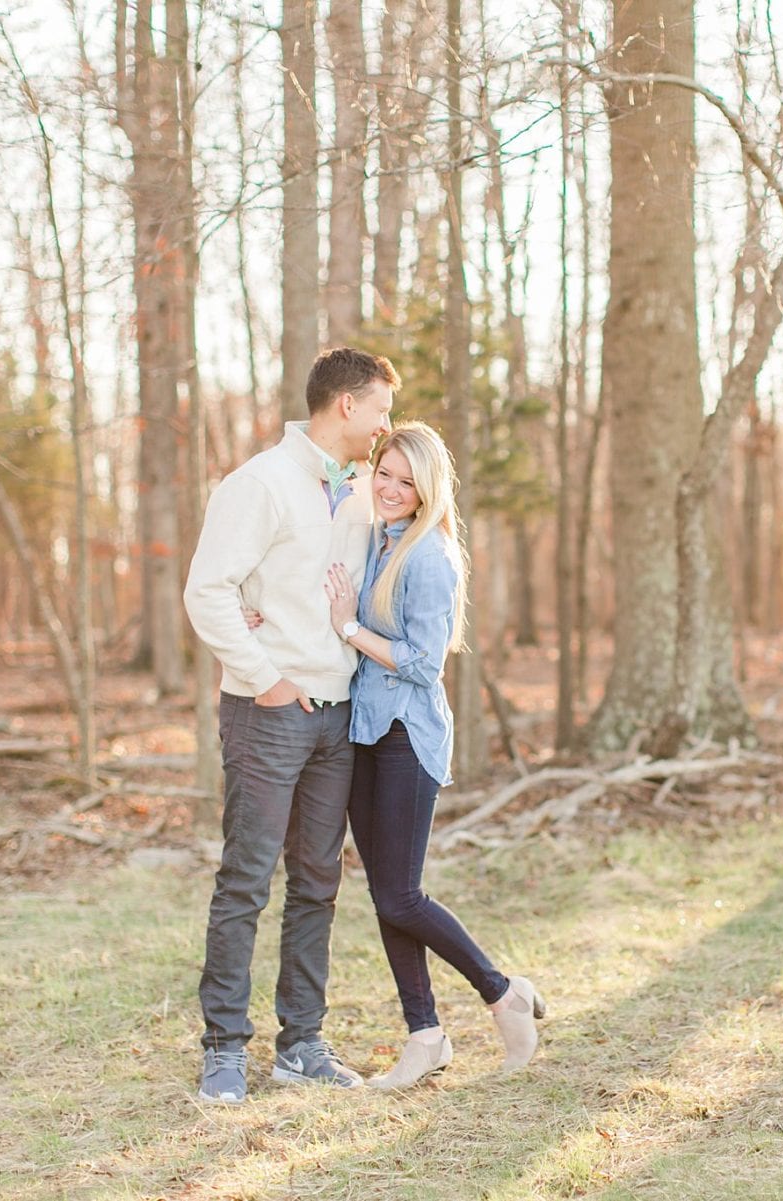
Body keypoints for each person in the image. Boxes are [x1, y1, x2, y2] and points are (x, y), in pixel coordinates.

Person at [182, 347, 399, 1104]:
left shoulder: (364, 495)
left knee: (317, 881)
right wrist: (265, 678)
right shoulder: (260, 484)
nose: (385, 426)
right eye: (381, 410)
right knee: (245, 878)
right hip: (269, 711)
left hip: (337, 715)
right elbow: (207, 590)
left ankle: (301, 1041)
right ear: (347, 405)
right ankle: (224, 1048)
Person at [327, 421, 545, 1090]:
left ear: (428, 489)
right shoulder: (377, 539)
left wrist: (350, 628)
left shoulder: (430, 556)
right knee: (386, 894)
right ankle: (425, 1035)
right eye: (383, 474)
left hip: (407, 735)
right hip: (365, 730)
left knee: (401, 892)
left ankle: (502, 991)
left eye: (405, 480)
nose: (391, 489)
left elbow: (424, 663)